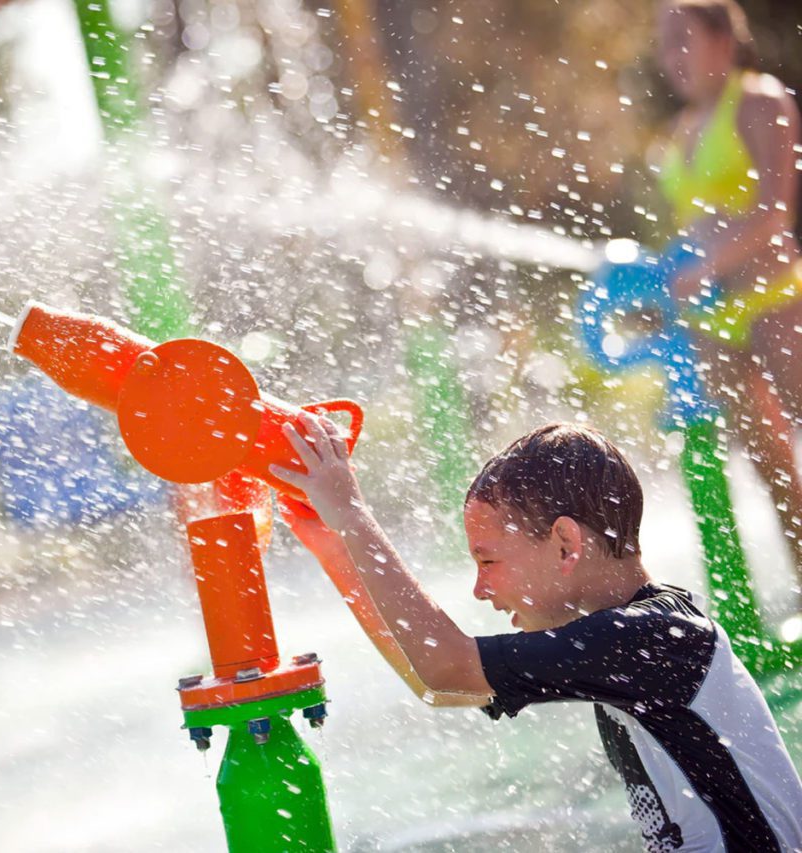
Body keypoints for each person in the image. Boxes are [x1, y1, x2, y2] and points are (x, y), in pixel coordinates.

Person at [271, 416, 802, 849]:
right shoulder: (629, 641)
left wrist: (354, 517)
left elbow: (446, 666)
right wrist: (339, 550)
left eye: (488, 560)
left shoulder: (653, 639)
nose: (481, 589)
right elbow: (440, 685)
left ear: (566, 543)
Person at [655, 0, 802, 583]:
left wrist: (710, 264)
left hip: (775, 299)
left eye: (682, 38)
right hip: (713, 320)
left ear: (722, 38)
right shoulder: (681, 128)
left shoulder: (760, 101)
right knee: (771, 468)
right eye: (665, 44)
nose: (672, 56)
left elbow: (773, 213)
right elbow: (690, 225)